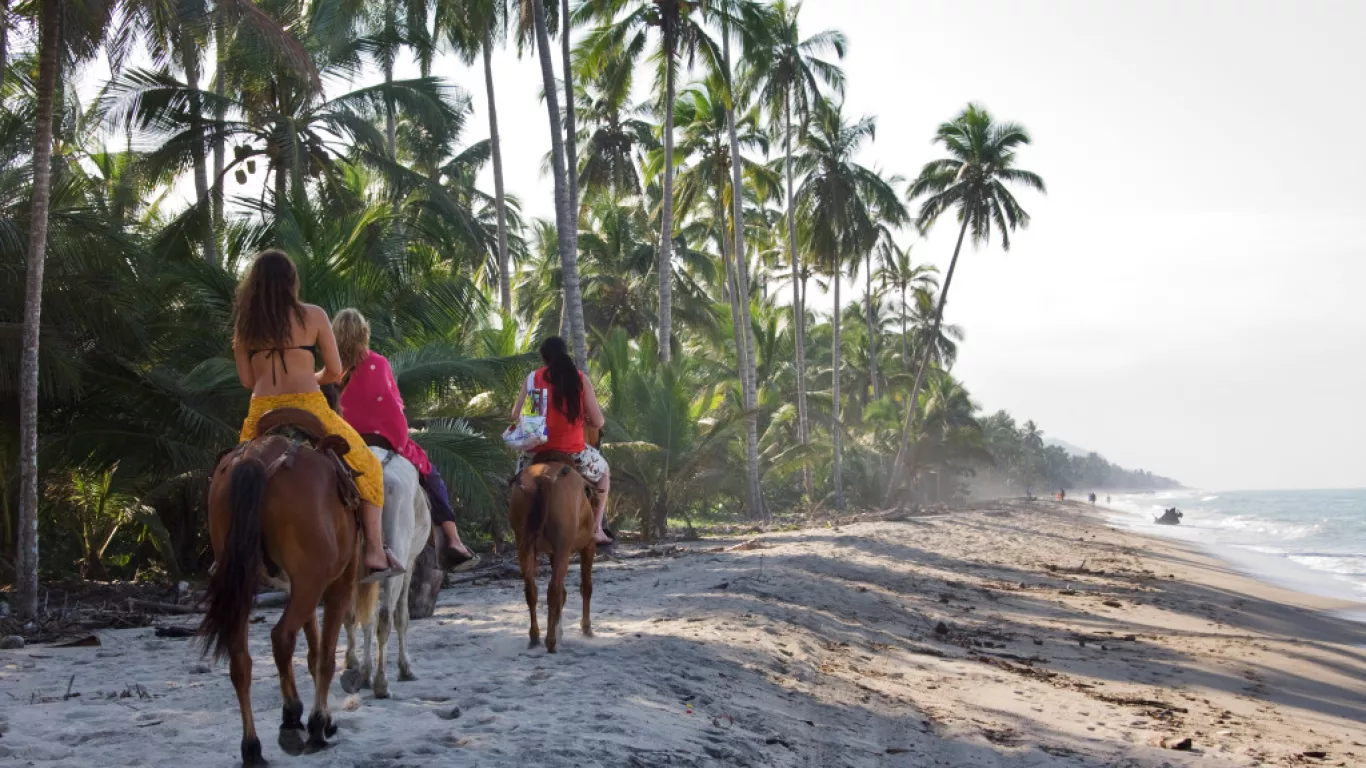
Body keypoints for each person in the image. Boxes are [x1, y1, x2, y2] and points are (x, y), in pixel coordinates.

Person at [231, 250, 402, 581]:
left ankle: (227, 554)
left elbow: (247, 382)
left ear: (254, 284)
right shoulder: (314, 315)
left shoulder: (245, 325)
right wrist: (312, 377)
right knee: (367, 466)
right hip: (309, 406)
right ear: (291, 282)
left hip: (262, 409)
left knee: (235, 473)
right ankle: (376, 552)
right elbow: (335, 372)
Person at [331, 308, 477, 569]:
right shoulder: (379, 362)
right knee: (431, 476)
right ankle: (454, 541)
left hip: (345, 446)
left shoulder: (331, 370)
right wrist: (399, 440)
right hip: (382, 441)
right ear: (364, 333)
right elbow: (393, 406)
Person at [510, 337, 612, 546]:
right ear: (565, 353)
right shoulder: (579, 379)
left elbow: (515, 415)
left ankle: (517, 527)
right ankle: (597, 529)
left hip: (535, 450)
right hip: (573, 451)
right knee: (604, 474)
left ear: (544, 358)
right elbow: (598, 421)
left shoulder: (532, 379)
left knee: (518, 480)